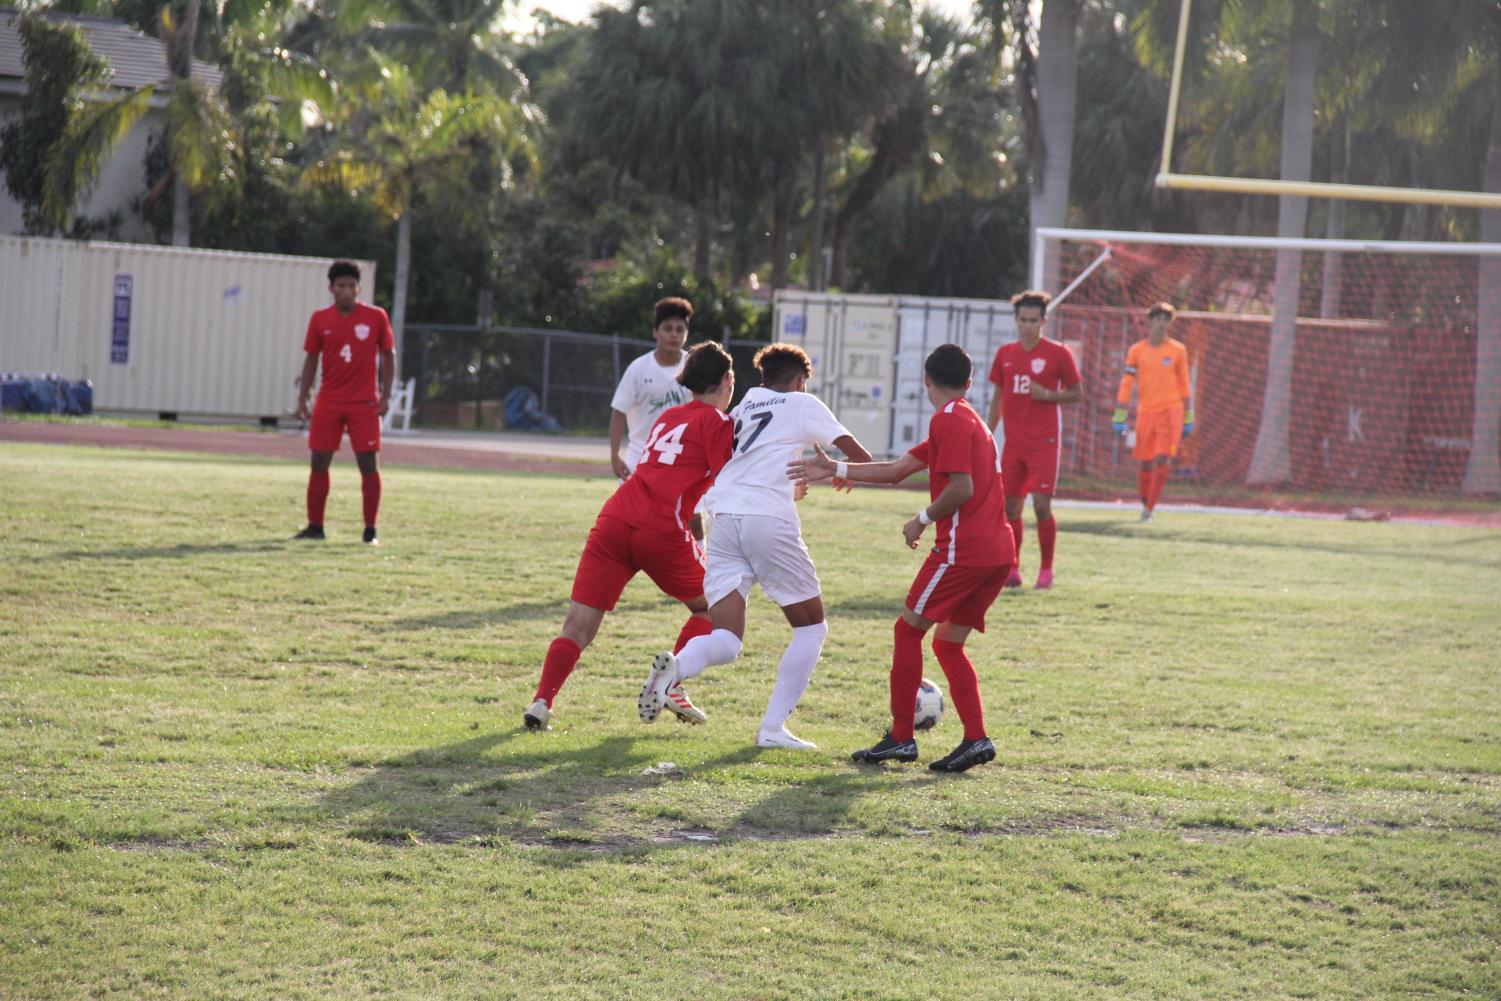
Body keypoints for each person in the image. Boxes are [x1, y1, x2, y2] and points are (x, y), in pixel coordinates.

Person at [791, 344, 1015, 773]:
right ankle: (975, 738)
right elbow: (896, 470)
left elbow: (962, 488)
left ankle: (900, 738)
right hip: (997, 553)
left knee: (907, 629)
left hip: (963, 552)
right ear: (969, 384)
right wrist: (835, 469)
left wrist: (921, 519)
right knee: (948, 643)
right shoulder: (967, 419)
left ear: (926, 381)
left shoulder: (947, 418)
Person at [638, 344, 873, 750]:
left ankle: (676, 668)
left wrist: (790, 483)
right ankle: (772, 729)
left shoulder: (742, 405)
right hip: (766, 519)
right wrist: (839, 471)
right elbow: (861, 457)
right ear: (800, 380)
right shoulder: (802, 402)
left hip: (723, 518)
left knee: (727, 639)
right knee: (812, 628)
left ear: (763, 377)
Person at [524, 342, 737, 731]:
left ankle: (542, 701)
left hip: (615, 517)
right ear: (727, 380)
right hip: (658, 529)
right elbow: (731, 479)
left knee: (578, 625)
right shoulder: (718, 423)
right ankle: (671, 682)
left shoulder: (669, 416)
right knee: (716, 607)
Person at [986, 290, 1082, 590]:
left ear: (1044, 321)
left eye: (1033, 321)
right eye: (1023, 320)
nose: (1028, 326)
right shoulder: (1005, 354)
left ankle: (1046, 570)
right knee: (1011, 509)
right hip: (1014, 445)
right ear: (1015, 320)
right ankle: (1012, 570)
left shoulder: (1058, 353)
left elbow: (1077, 392)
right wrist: (987, 434)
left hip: (1045, 443)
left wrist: (1049, 396)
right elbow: (997, 399)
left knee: (1041, 506)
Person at [294, 260, 394, 545]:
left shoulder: (376, 317)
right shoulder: (320, 319)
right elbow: (311, 359)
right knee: (319, 461)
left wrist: (385, 396)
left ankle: (370, 530)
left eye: (352, 286)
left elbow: (389, 355)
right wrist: (303, 399)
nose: (347, 291)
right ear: (331, 288)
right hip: (329, 401)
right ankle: (315, 526)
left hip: (364, 403)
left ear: (359, 288)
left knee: (368, 463)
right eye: (341, 286)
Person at [1112, 302, 1194, 521]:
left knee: (1162, 458)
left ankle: (1149, 509)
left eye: (1166, 320)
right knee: (1146, 461)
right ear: (1150, 321)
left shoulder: (1177, 350)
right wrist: (1119, 415)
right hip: (1146, 412)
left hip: (1171, 412)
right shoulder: (1137, 351)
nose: (1161, 323)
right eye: (1158, 318)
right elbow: (1127, 383)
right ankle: (1145, 502)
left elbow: (1185, 384)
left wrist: (1188, 416)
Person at [610, 298, 694, 480]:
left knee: (690, 510)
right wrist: (615, 454)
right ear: (655, 332)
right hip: (640, 459)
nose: (674, 335)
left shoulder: (694, 367)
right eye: (668, 329)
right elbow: (618, 411)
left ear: (686, 334)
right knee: (628, 509)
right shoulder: (638, 369)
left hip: (681, 461)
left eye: (680, 330)